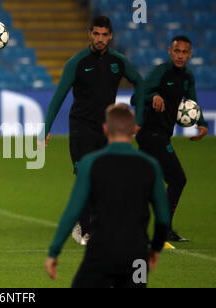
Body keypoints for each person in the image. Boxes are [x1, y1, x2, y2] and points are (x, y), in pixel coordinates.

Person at [41, 16, 145, 243]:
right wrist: (46, 128)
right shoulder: (76, 62)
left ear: (111, 36)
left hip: (107, 128)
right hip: (81, 126)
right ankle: (84, 227)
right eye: (96, 34)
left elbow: (140, 82)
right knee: (85, 173)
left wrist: (139, 107)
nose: (100, 39)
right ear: (89, 34)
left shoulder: (118, 61)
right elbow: (58, 97)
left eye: (104, 34)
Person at [45, 104, 170, 288]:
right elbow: (163, 219)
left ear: (104, 129)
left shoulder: (91, 163)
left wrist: (54, 251)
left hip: (100, 253)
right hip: (137, 255)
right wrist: (156, 248)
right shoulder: (150, 165)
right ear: (135, 129)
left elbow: (73, 211)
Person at [136, 35, 209, 242]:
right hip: (152, 133)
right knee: (178, 179)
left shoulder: (187, 77)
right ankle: (163, 229)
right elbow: (136, 96)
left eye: (184, 52)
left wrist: (202, 123)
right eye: (177, 51)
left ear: (190, 54)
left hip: (161, 134)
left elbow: (192, 101)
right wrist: (153, 96)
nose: (180, 56)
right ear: (170, 51)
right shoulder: (160, 72)